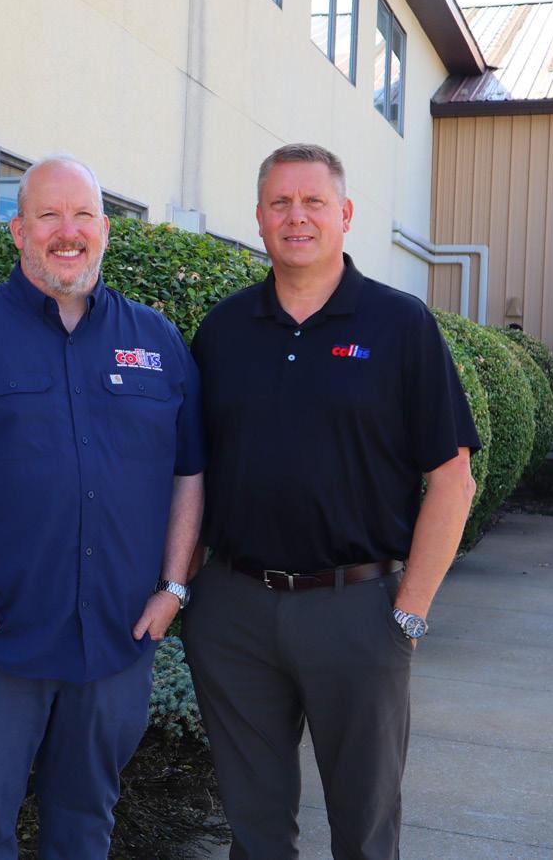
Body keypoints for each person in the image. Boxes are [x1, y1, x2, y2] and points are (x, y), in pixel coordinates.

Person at [0, 155, 205, 860]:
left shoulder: (156, 341)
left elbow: (189, 471)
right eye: (48, 215)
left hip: (117, 642)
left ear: (105, 230)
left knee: (85, 831)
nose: (67, 231)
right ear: (18, 231)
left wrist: (173, 588)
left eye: (82, 215)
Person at [184, 143, 480, 860]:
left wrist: (408, 610)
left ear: (344, 214)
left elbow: (452, 478)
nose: (297, 217)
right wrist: (186, 586)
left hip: (357, 611)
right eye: (280, 203)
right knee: (254, 831)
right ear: (258, 217)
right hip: (234, 612)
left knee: (364, 830)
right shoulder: (222, 331)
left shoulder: (400, 325)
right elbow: (189, 471)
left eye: (313, 202)